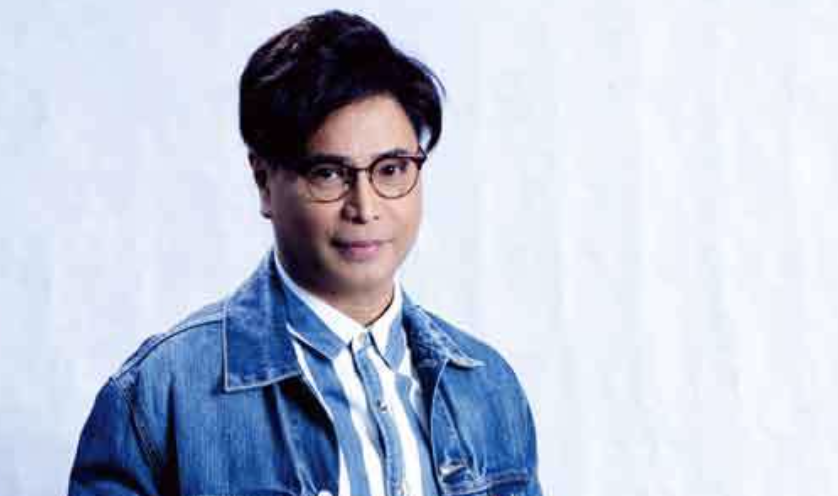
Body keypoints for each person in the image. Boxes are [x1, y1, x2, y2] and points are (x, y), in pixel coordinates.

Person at [69, 10, 542, 496]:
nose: (365, 207)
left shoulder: (489, 390)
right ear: (264, 183)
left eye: (392, 169)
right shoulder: (160, 395)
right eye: (328, 174)